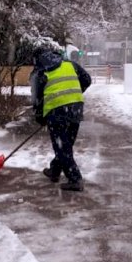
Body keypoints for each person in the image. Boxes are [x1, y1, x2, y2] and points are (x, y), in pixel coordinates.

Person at [31, 48, 92, 191]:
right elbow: (87, 79)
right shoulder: (69, 64)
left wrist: (40, 116)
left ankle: (75, 179)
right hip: (76, 108)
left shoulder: (40, 72)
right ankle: (55, 170)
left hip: (57, 112)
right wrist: (73, 94)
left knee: (62, 147)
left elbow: (37, 99)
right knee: (65, 145)